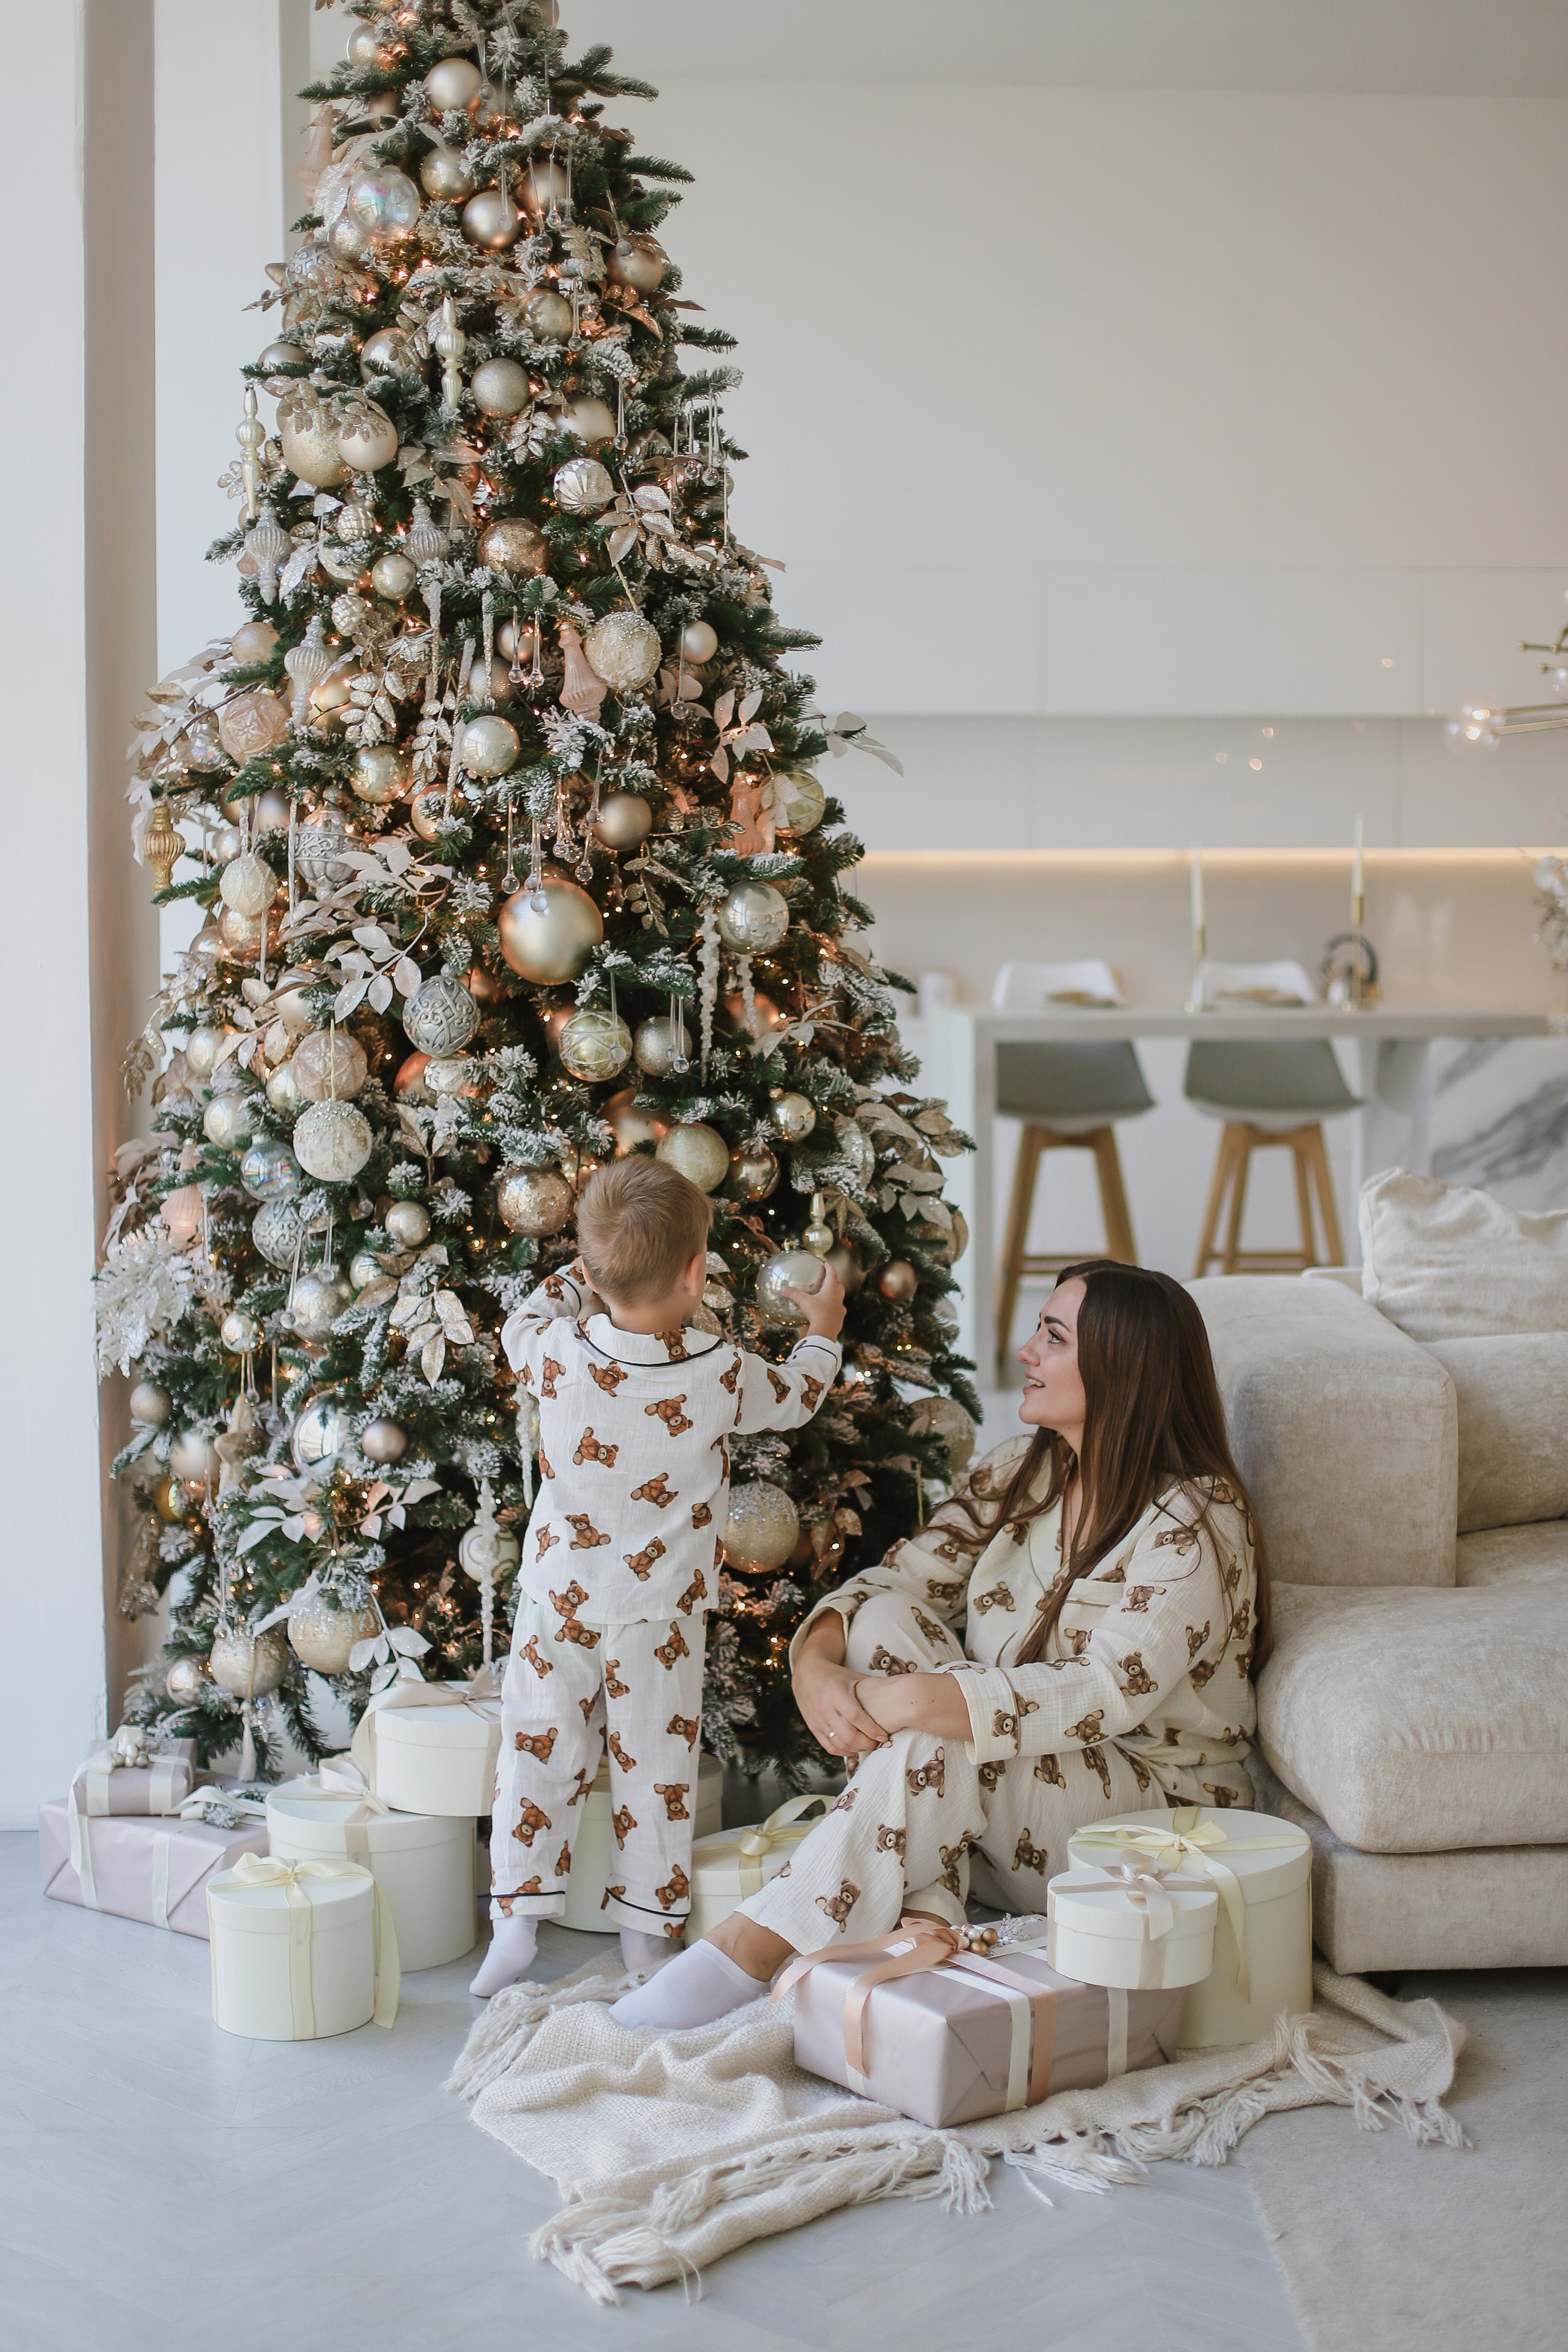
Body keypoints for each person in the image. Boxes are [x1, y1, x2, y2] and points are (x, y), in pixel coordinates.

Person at [611, 1258, 1270, 2031]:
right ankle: (928, 1914)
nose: (1025, 1352)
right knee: (887, 1625)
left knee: (946, 1720)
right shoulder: (1019, 1474)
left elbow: (1101, 1690)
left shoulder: (1194, 1518)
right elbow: (893, 1586)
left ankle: (750, 1948)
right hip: (1014, 1807)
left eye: (1052, 1338)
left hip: (1148, 1832)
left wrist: (917, 1698)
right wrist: (816, 1666)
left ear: (1122, 1369)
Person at [471, 1156, 845, 1996]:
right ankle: (647, 1937)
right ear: (693, 1271)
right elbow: (797, 1395)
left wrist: (586, 1269)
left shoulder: (555, 1353)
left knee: (537, 1754)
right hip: (660, 1611)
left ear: (595, 1271)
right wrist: (824, 1323)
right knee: (655, 1774)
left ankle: (517, 1924)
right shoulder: (718, 1372)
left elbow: (523, 1318)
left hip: (559, 1599)